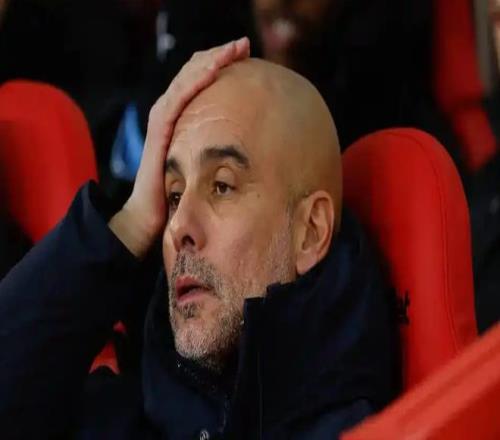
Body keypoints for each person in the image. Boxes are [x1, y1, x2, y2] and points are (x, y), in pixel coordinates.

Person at [0, 38, 397, 439]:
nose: (178, 227)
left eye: (222, 186)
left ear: (310, 232)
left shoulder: (360, 431)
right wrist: (130, 223)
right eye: (173, 196)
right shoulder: (129, 408)